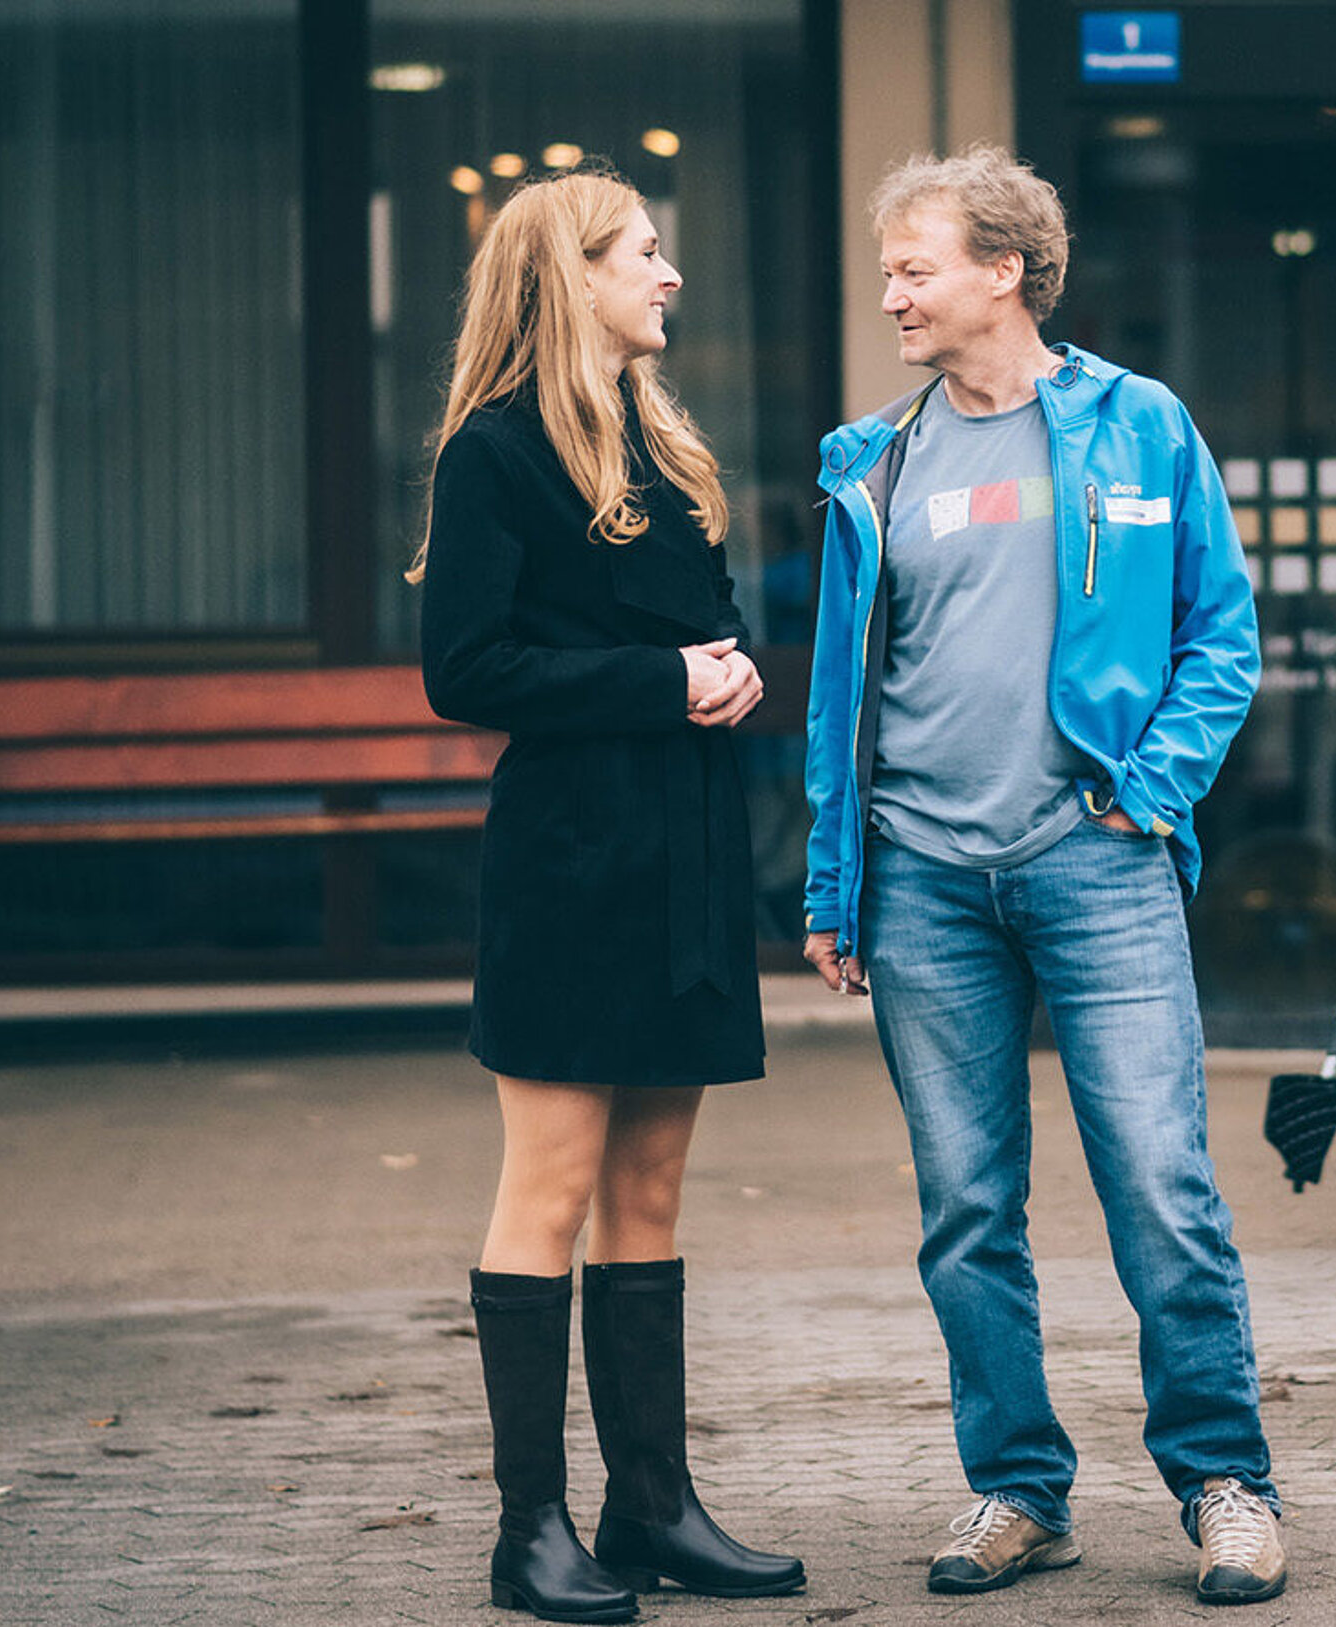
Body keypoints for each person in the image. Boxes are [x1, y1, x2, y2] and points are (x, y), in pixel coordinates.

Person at [798, 144, 1285, 1606]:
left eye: (914, 266)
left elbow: (1223, 637)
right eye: (888, 270)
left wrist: (1150, 794)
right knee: (965, 1212)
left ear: (1004, 270)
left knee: (1161, 1186)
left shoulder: (1140, 427)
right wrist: (835, 883)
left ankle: (1225, 1485)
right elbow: (842, 693)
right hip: (925, 879)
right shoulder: (872, 462)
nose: (890, 292)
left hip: (1099, 864)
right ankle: (1019, 1490)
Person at [414, 163, 804, 1623]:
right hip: (572, 861)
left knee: (650, 1185)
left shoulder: (660, 440)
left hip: (686, 854)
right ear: (570, 275)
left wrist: (738, 663)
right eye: (646, 251)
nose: (670, 273)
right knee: (555, 1185)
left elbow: (696, 629)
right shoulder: (495, 454)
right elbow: (468, 671)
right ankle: (532, 1536)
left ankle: (653, 1509)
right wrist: (665, 680)